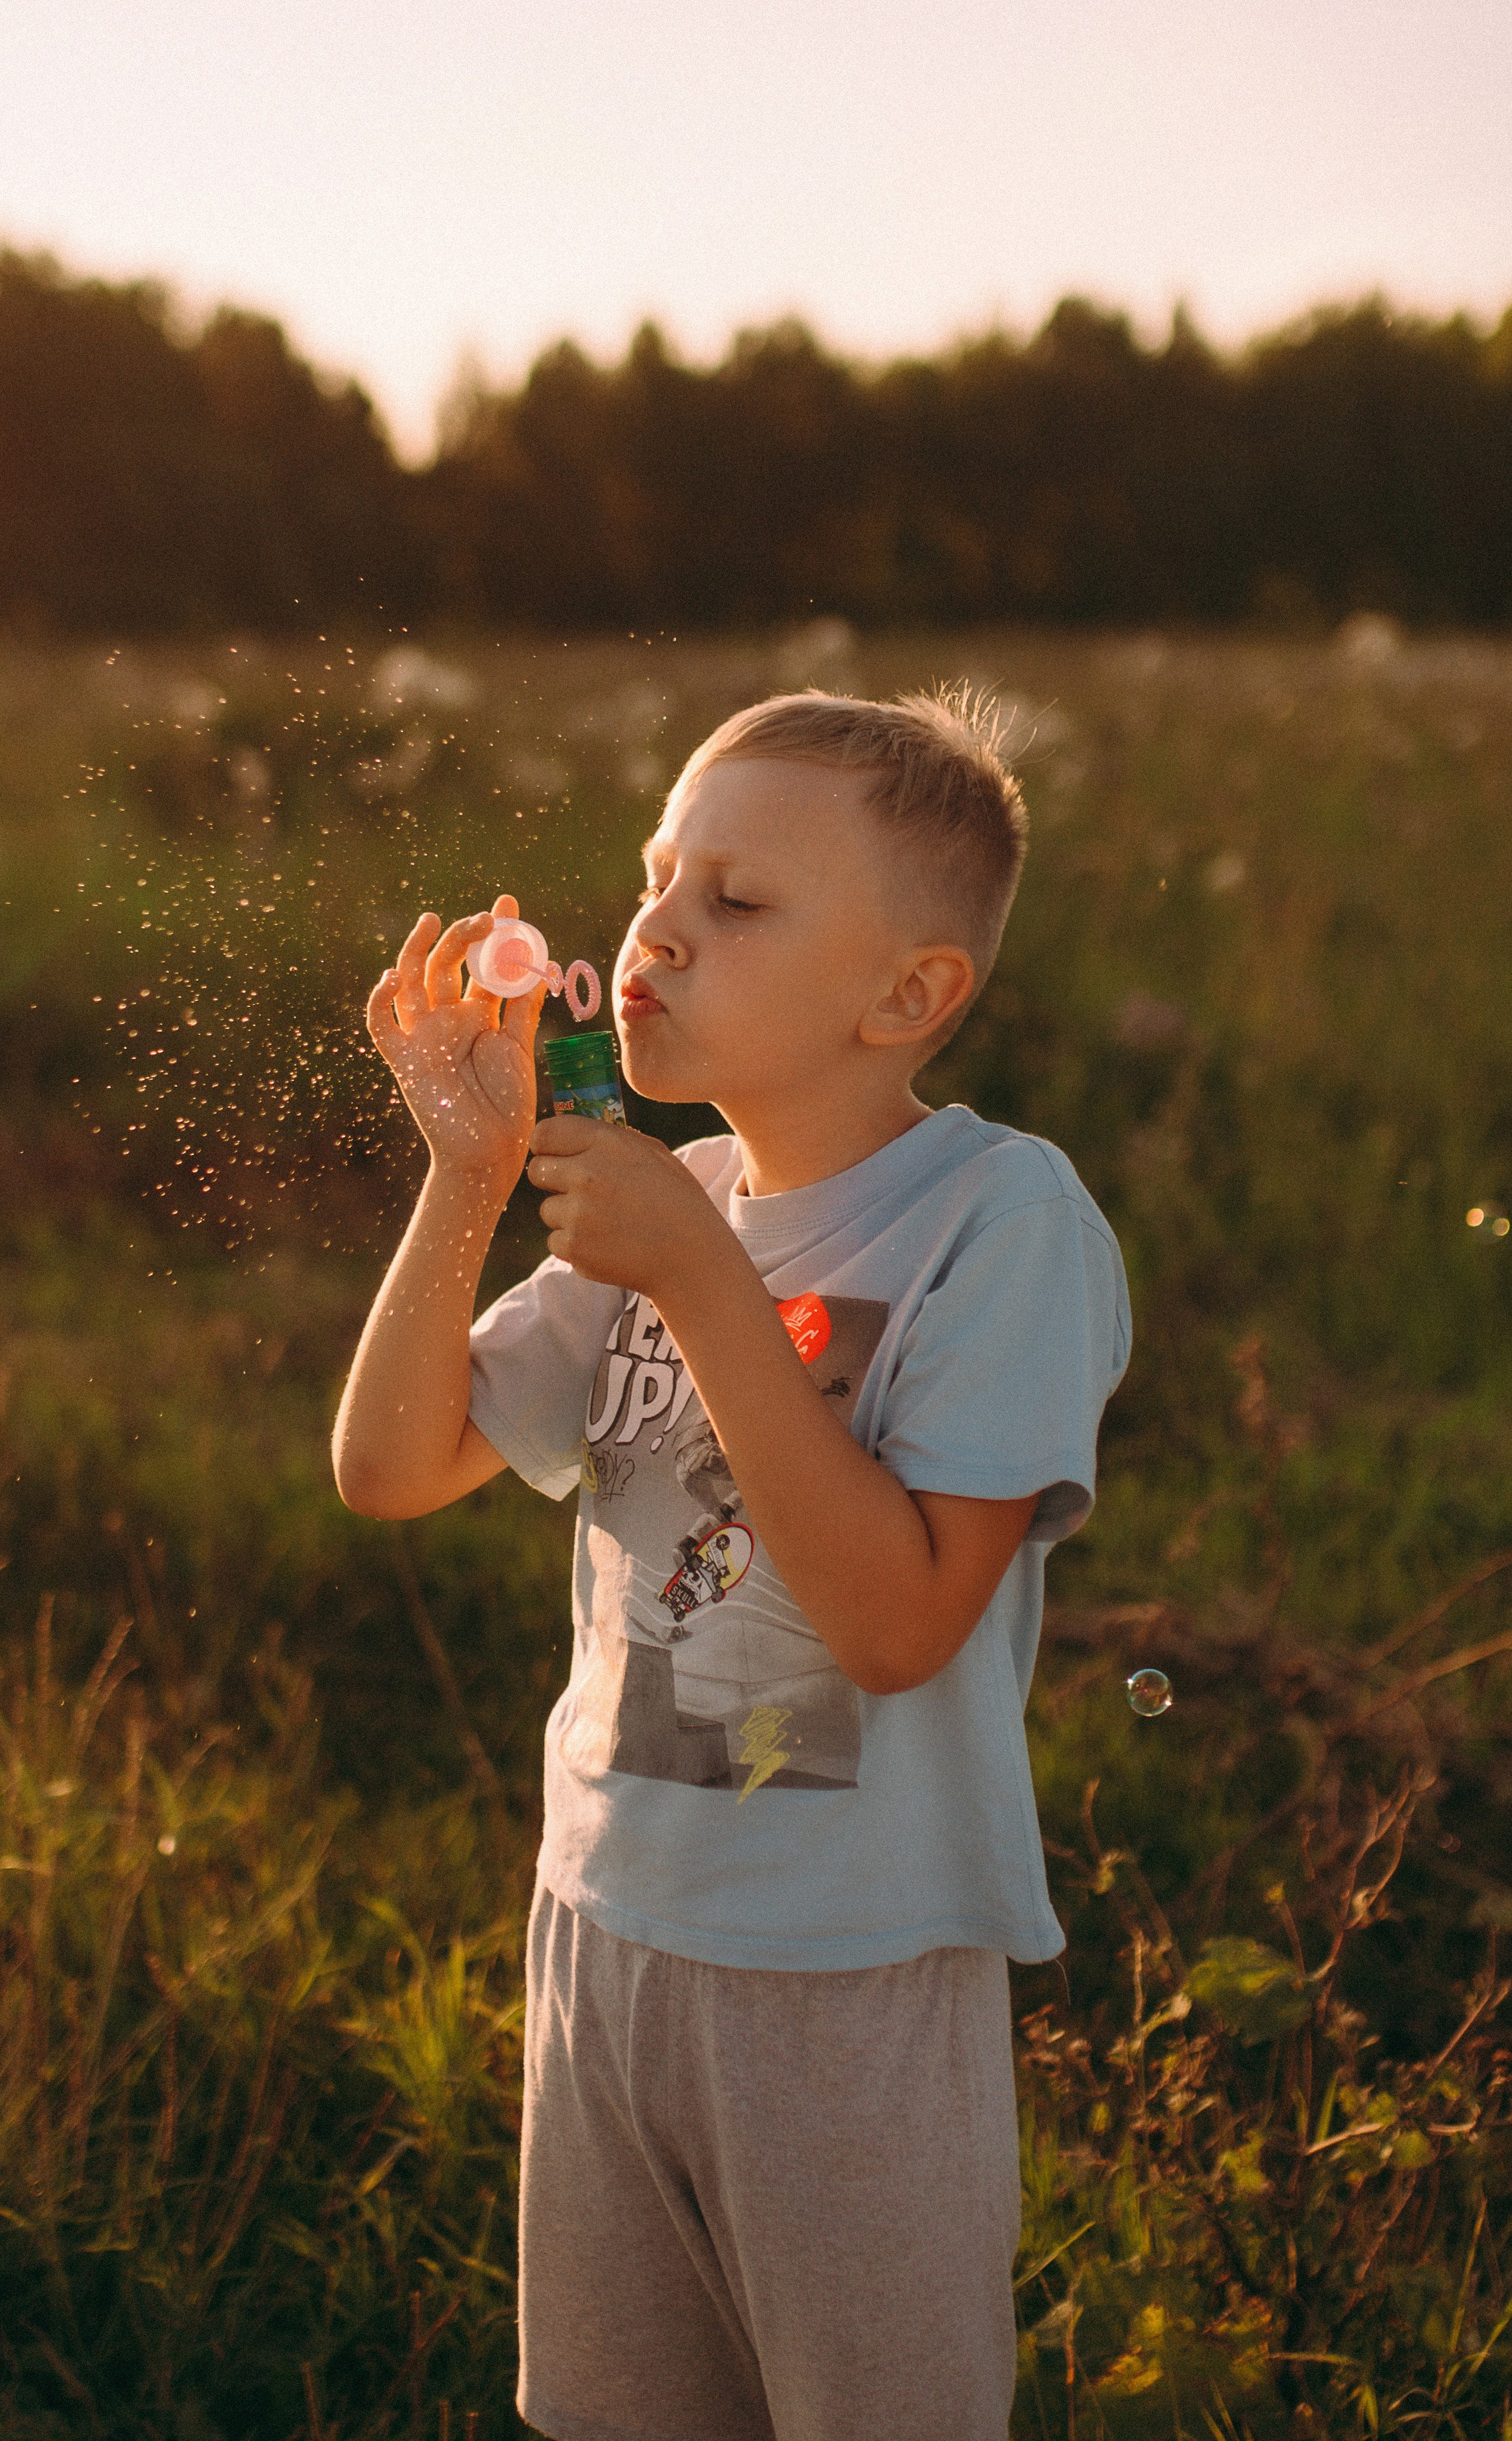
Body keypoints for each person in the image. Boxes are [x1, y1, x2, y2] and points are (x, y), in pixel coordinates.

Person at [332, 685, 1131, 2441]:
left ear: (907, 993)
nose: (654, 932)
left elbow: (899, 1620)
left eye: (736, 899)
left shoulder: (1000, 1223)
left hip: (847, 1967)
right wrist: (467, 1178)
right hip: (606, 1927)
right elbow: (388, 1465)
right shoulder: (659, 1204)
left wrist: (703, 1279)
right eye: (652, 877)